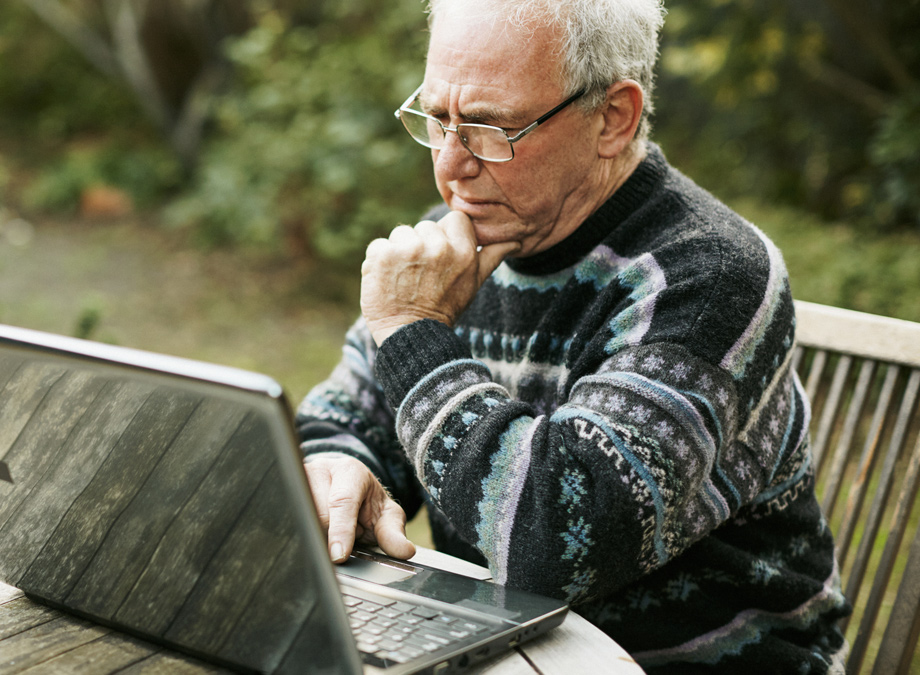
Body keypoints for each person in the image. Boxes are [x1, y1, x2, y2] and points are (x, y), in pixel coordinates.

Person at [295, 0, 851, 671]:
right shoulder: (454, 245)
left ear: (612, 117)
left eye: (489, 128)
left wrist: (412, 332)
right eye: (437, 119)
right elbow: (338, 426)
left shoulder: (709, 277)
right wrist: (338, 470)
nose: (450, 166)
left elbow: (551, 545)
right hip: (507, 656)